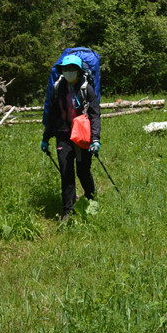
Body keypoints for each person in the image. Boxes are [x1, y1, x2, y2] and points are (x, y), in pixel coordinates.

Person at [41, 54, 101, 219]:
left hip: (82, 137)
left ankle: (91, 199)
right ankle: (68, 211)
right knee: (66, 172)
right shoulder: (57, 88)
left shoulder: (86, 88)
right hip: (63, 135)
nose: (68, 72)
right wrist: (46, 138)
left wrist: (95, 139)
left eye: (72, 69)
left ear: (78, 71)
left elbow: (95, 114)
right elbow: (52, 114)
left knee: (83, 171)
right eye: (66, 69)